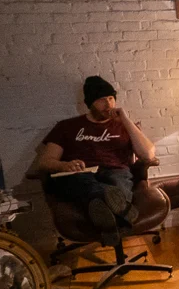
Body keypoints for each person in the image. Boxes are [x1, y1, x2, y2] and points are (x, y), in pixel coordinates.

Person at [37, 76, 157, 245]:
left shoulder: (124, 125)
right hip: (80, 174)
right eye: (101, 100)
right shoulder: (66, 127)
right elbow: (45, 162)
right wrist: (64, 165)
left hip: (116, 172)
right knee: (85, 183)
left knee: (117, 184)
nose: (108, 105)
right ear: (90, 103)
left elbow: (148, 155)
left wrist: (125, 119)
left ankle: (107, 219)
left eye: (111, 98)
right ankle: (121, 211)